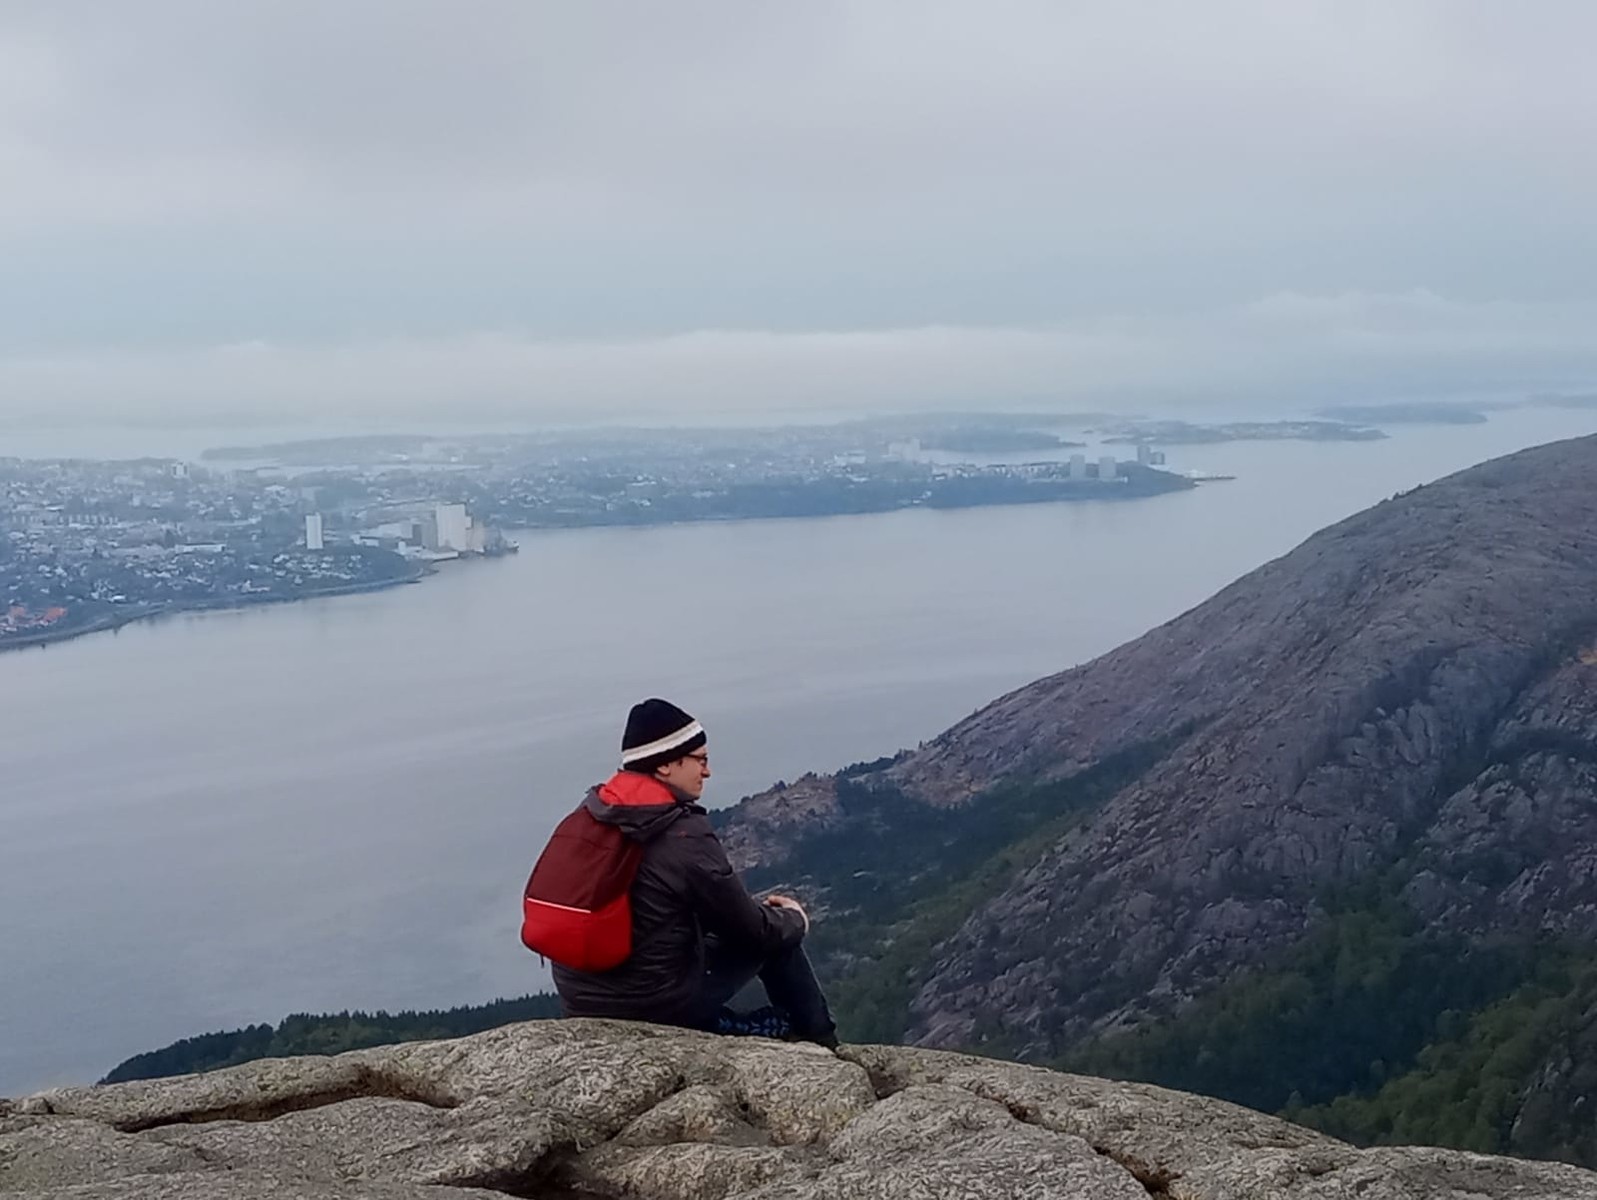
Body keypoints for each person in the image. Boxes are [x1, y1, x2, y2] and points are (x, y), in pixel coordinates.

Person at [549, 698, 839, 1048]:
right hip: (653, 1006)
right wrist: (795, 920)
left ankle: (731, 1026)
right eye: (700, 760)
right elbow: (752, 930)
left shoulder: (592, 814)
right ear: (665, 764)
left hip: (583, 1003)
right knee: (779, 936)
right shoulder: (681, 834)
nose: (707, 771)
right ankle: (822, 1045)